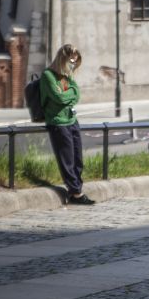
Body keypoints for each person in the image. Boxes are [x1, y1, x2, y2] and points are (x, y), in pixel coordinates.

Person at [41, 44, 94, 205]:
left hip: (72, 120)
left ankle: (77, 188)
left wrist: (68, 94)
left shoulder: (68, 77)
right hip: (58, 122)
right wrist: (68, 94)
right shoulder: (48, 75)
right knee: (67, 158)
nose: (73, 64)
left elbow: (76, 95)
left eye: (75, 61)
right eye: (71, 61)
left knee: (78, 157)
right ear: (62, 59)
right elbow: (60, 98)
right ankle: (75, 193)